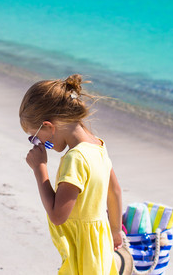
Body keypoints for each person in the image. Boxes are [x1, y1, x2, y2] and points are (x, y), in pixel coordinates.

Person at [19, 74, 123, 275]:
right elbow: (115, 191)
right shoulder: (98, 146)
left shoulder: (75, 159)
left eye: (35, 137)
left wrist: (40, 169)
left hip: (82, 253)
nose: (38, 143)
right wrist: (116, 230)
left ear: (48, 126)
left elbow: (58, 215)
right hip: (99, 247)